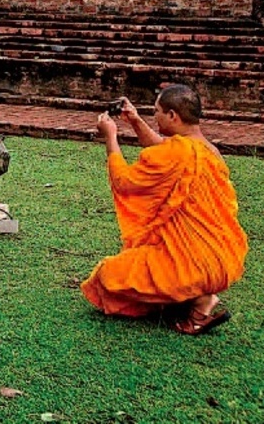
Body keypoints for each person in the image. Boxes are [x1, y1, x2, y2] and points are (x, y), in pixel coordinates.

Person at [81, 84, 248, 335]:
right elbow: (160, 147)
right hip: (224, 262)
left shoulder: (178, 152)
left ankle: (199, 299)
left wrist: (111, 137)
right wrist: (134, 120)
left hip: (193, 266)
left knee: (105, 277)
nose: (155, 116)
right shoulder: (208, 150)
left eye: (157, 111)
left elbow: (124, 182)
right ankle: (190, 295)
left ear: (172, 115)